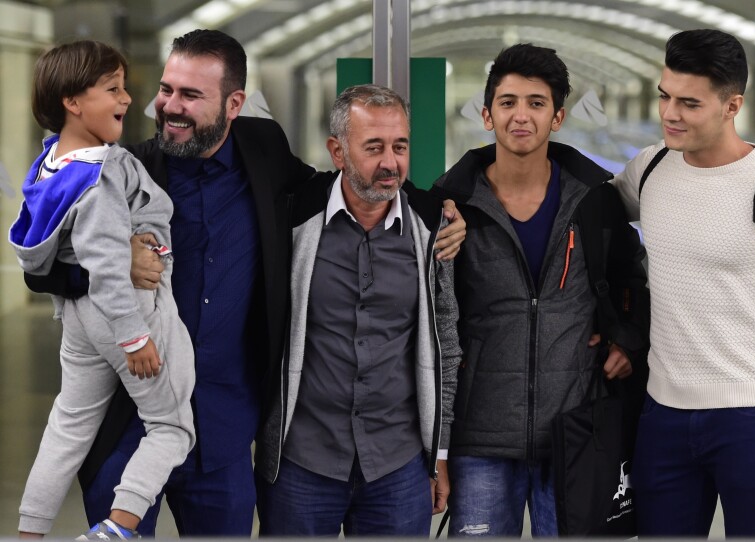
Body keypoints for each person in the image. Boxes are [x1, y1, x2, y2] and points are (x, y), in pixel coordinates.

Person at [22, 30, 466, 536]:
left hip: (225, 436)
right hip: (132, 426)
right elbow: (40, 266)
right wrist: (108, 265)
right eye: (167, 89)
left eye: (190, 95)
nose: (168, 106)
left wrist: (443, 208)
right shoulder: (127, 171)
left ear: (234, 104)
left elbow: (347, 184)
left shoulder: (265, 151)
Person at [610, 29, 755, 537]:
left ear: (732, 105)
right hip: (663, 414)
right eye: (664, 96)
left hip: (754, 418)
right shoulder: (650, 170)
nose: (670, 113)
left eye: (689, 103)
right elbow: (583, 211)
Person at [430, 43, 649, 537]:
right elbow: (432, 319)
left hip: (575, 435)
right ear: (487, 115)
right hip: (479, 439)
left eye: (536, 103)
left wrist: (626, 338)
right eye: (507, 103)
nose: (520, 116)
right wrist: (437, 448)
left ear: (558, 117)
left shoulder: (593, 202)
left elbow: (630, 276)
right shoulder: (451, 205)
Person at [254, 84, 462, 537]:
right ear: (338, 151)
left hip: (399, 467)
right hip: (302, 464)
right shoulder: (291, 218)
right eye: (374, 147)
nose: (391, 163)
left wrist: (439, 451)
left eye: (400, 146)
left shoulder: (432, 227)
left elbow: (447, 344)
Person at [9, 41, 195, 540]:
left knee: (68, 426)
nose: (129, 99)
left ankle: (29, 531)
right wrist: (135, 337)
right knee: (172, 427)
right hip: (127, 314)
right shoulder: (101, 175)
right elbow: (110, 267)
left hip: (78, 319)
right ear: (73, 101)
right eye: (112, 89)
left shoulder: (52, 163)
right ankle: (120, 525)